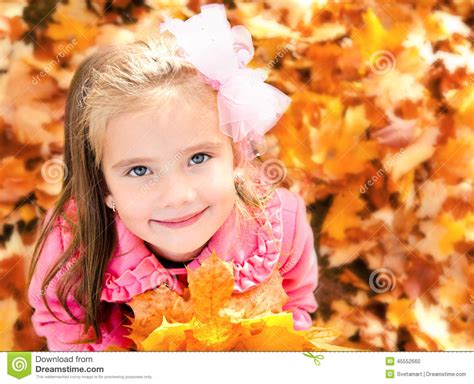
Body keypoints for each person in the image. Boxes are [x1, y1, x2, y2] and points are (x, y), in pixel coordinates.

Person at [27, 3, 318, 351]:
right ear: (103, 185)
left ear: (235, 154)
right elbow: (61, 323)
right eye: (139, 170)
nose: (177, 195)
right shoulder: (72, 242)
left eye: (198, 157)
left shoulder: (279, 228)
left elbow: (294, 303)